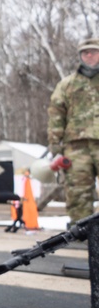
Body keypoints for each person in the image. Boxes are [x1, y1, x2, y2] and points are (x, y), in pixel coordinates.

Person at [47, 38, 99, 227]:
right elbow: (56, 114)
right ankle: (82, 231)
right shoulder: (67, 84)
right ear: (80, 57)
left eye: (94, 51)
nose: (90, 55)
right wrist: (55, 143)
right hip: (76, 147)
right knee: (78, 191)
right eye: (85, 53)